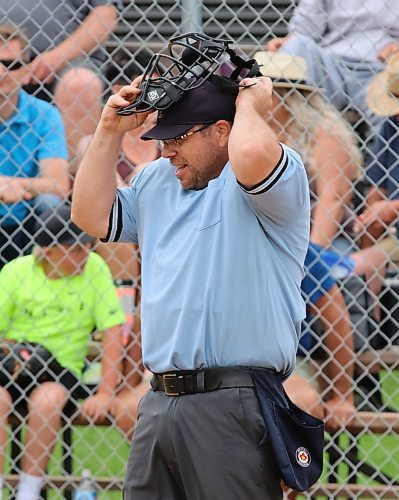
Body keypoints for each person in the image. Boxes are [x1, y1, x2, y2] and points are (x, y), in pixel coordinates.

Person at [71, 34, 313, 497]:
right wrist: (108, 130)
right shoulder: (157, 181)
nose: (166, 151)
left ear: (221, 131)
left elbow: (251, 155)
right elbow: (89, 215)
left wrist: (250, 107)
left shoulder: (272, 174)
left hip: (234, 400)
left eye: (179, 137)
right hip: (160, 401)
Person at [0, 203, 126, 500]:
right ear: (47, 250)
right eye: (74, 249)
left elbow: (112, 332)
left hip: (60, 371)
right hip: (16, 366)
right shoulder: (17, 271)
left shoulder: (94, 270)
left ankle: (28, 492)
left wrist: (105, 392)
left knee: (48, 400)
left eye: (86, 246)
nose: (84, 255)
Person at [255, 51, 389, 325]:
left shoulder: (324, 133)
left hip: (323, 239)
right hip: (269, 235)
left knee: (319, 275)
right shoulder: (256, 132)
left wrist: (307, 256)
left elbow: (334, 199)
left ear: (284, 96)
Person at [0, 0, 121, 159]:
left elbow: (106, 14)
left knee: (80, 83)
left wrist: (60, 55)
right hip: (5, 53)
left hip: (70, 57)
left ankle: (75, 179)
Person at [266, 0, 399, 137]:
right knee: (295, 46)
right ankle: (291, 149)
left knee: (391, 111)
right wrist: (289, 42)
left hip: (382, 63)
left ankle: (386, 155)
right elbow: (306, 28)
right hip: (331, 61)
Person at [0, 23, 69, 269]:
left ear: (27, 70)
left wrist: (14, 185)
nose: (1, 72)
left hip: (26, 220)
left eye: (12, 64)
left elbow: (59, 185)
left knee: (51, 205)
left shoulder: (44, 115)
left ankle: (40, 279)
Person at [285, 242, 355, 430]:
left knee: (301, 401)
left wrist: (342, 394)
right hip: (221, 358)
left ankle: (291, 460)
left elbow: (336, 317)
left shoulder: (293, 244)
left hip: (284, 362)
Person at [356, 52, 399, 261]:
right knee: (369, 225)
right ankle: (370, 294)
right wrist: (369, 214)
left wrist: (393, 207)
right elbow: (378, 187)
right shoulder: (392, 126)